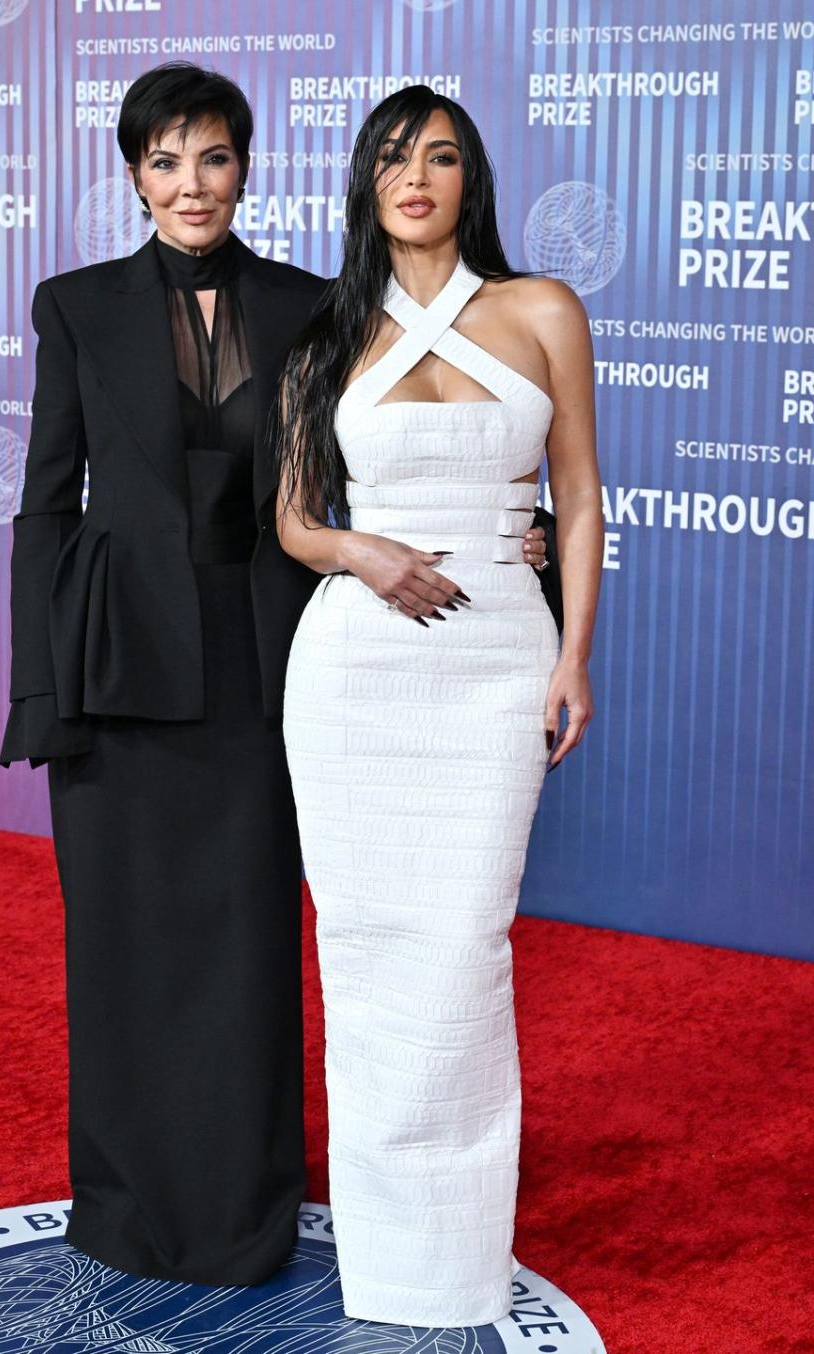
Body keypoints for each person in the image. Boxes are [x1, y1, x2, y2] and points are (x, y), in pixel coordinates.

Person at [0, 61, 549, 1288]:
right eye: (164, 160)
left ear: (246, 169)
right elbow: (43, 510)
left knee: (251, 945)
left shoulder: (313, 305)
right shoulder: (74, 306)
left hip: (269, 663)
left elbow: (384, 464)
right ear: (134, 175)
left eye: (213, 157)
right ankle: (132, 1207)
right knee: (124, 946)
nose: (190, 185)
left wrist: (528, 532)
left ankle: (251, 1207)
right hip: (116, 665)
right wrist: (40, 691)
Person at [277, 86, 602, 1327]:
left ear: (475, 179)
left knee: (466, 945)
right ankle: (387, 1261)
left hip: (495, 663)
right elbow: (297, 518)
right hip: (357, 668)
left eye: (443, 155)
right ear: (364, 180)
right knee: (362, 951)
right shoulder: (329, 333)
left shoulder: (540, 311)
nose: (417, 175)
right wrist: (364, 553)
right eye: (395, 156)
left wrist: (574, 658)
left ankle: (457, 1259)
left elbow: (576, 498)